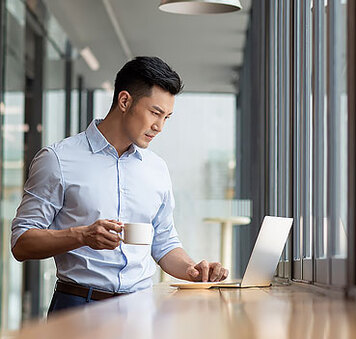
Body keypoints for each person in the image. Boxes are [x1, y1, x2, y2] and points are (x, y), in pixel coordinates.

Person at [11, 56, 229, 316]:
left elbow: (164, 241)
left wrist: (193, 270)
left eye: (167, 117)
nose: (159, 127)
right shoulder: (58, 159)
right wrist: (82, 235)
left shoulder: (156, 168)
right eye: (155, 113)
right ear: (125, 101)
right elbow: (21, 242)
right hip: (78, 308)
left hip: (141, 309)